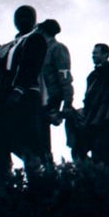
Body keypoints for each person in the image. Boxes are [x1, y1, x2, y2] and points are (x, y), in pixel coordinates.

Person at [0, 5, 48, 177]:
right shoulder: (14, 42)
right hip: (7, 92)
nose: (21, 20)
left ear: (34, 20)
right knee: (3, 135)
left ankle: (36, 173)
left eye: (26, 16)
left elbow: (31, 66)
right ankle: (4, 175)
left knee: (25, 135)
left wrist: (19, 90)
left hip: (25, 94)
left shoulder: (36, 39)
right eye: (18, 17)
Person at [72, 43, 109, 164]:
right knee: (79, 149)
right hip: (91, 117)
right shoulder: (92, 75)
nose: (93, 56)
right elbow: (88, 97)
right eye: (92, 53)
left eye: (95, 53)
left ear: (105, 54)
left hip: (103, 118)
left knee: (98, 150)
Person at [37, 19, 74, 162]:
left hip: (51, 96)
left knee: (42, 133)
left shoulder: (57, 49)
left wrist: (67, 102)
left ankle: (47, 167)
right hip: (41, 96)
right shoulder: (41, 49)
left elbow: (64, 74)